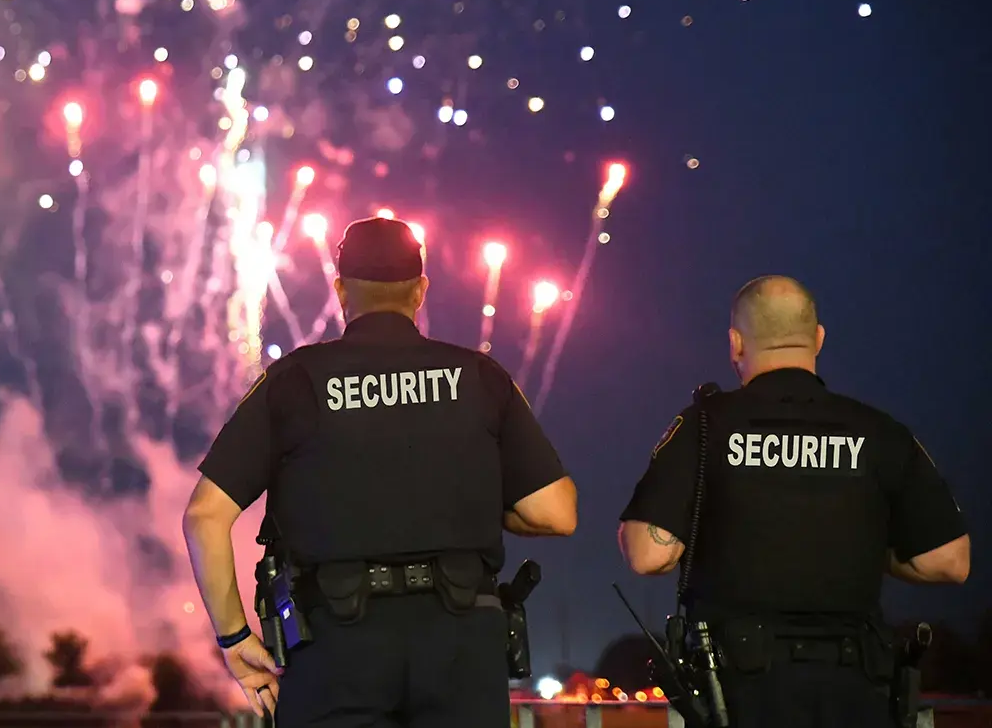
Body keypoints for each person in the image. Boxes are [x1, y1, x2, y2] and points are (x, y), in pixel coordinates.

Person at [182, 216, 579, 727]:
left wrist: (235, 639)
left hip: (336, 648)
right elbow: (556, 512)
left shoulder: (293, 381)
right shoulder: (481, 377)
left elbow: (204, 517)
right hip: (462, 648)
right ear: (421, 290)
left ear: (341, 289)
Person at [618, 275, 971, 728]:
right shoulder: (881, 431)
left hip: (741, 693)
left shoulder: (704, 427)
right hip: (857, 690)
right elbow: (949, 560)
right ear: (818, 338)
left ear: (735, 343)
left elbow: (648, 555)